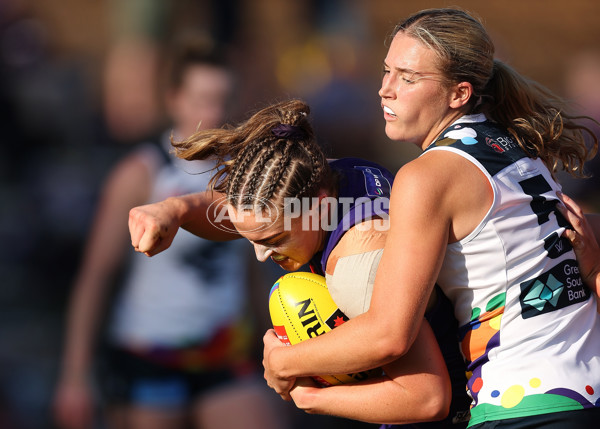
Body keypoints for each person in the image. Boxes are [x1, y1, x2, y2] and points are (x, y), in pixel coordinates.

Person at [255, 7, 600, 428]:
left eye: (408, 77)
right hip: (582, 393)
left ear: (459, 94)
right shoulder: (515, 145)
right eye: (386, 72)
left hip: (523, 405)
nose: (385, 90)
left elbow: (388, 335)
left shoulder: (427, 176)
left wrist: (285, 363)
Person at [128, 98, 472, 427]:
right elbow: (257, 215)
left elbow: (428, 398)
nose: (261, 255)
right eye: (252, 240)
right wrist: (175, 209)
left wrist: (306, 394)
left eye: (273, 241)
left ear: (318, 209)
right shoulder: (331, 180)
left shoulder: (356, 267)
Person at [53, 37, 285, 429]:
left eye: (222, 99)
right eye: (201, 99)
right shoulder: (141, 173)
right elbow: (96, 276)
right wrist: (74, 378)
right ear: (174, 98)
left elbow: (248, 267)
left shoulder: (243, 174)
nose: (213, 112)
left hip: (223, 352)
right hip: (150, 355)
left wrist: (275, 343)